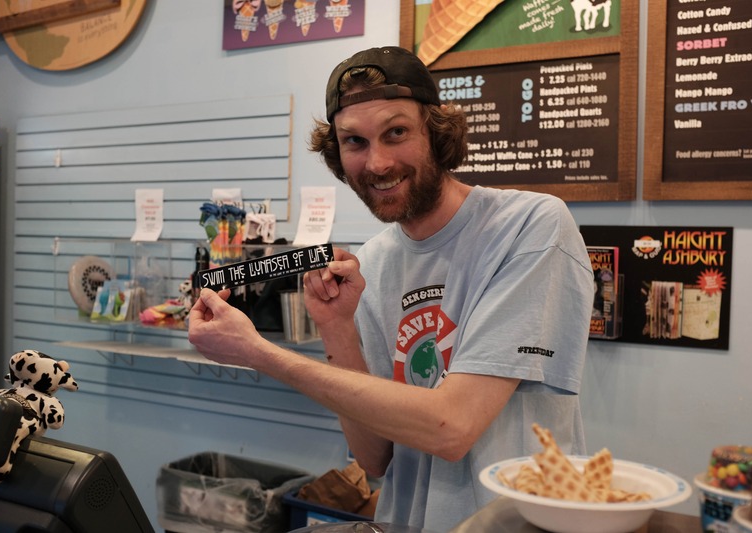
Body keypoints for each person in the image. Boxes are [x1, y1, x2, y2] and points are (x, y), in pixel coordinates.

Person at [188, 46, 594, 532]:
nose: (377, 163)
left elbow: (452, 428)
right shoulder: (374, 262)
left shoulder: (531, 227)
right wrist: (337, 326)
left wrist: (261, 353)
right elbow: (374, 455)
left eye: (396, 132)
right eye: (354, 142)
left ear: (435, 131)